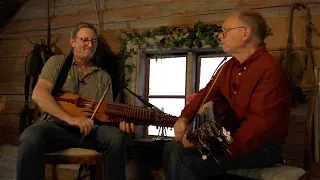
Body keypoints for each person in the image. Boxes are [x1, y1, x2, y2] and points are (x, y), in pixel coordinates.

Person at [162, 10, 292, 180]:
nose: (220, 36)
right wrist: (184, 118)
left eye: (225, 31)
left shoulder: (270, 71)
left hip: (262, 147)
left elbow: (258, 129)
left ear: (245, 33)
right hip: (232, 137)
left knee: (184, 157)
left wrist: (208, 145)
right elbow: (205, 94)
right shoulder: (228, 67)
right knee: (170, 148)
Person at [16, 22, 135, 180]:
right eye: (84, 40)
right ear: (72, 42)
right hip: (56, 128)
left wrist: (120, 123)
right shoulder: (57, 62)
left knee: (115, 137)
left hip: (90, 131)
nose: (90, 44)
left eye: (93, 41)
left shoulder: (103, 76)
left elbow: (106, 114)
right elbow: (39, 94)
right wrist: (69, 118)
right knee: (30, 135)